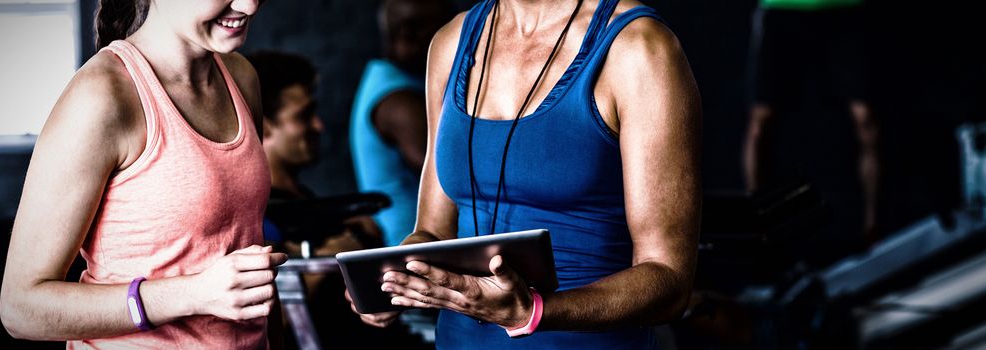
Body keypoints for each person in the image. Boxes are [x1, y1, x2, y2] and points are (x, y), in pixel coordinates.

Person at [347, 0, 702, 348]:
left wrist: (533, 312)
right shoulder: (452, 41)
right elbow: (431, 231)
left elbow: (669, 280)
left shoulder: (638, 47)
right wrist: (394, 280)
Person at [0, 0, 287, 348]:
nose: (249, 5)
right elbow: (21, 308)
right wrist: (193, 294)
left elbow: (249, 265)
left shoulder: (241, 78)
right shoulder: (103, 94)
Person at [249, 51, 431, 349]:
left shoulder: (307, 204)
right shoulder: (259, 216)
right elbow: (263, 321)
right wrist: (335, 253)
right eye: (303, 115)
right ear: (265, 124)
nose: (318, 126)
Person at [742, 0, 880, 245]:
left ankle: (873, 232)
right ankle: (757, 234)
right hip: (782, 10)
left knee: (866, 119)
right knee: (760, 123)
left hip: (844, 11)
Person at [351, 0, 456, 247]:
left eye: (418, 26)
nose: (407, 35)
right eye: (398, 27)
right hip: (410, 247)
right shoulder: (400, 101)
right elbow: (446, 174)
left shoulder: (395, 79)